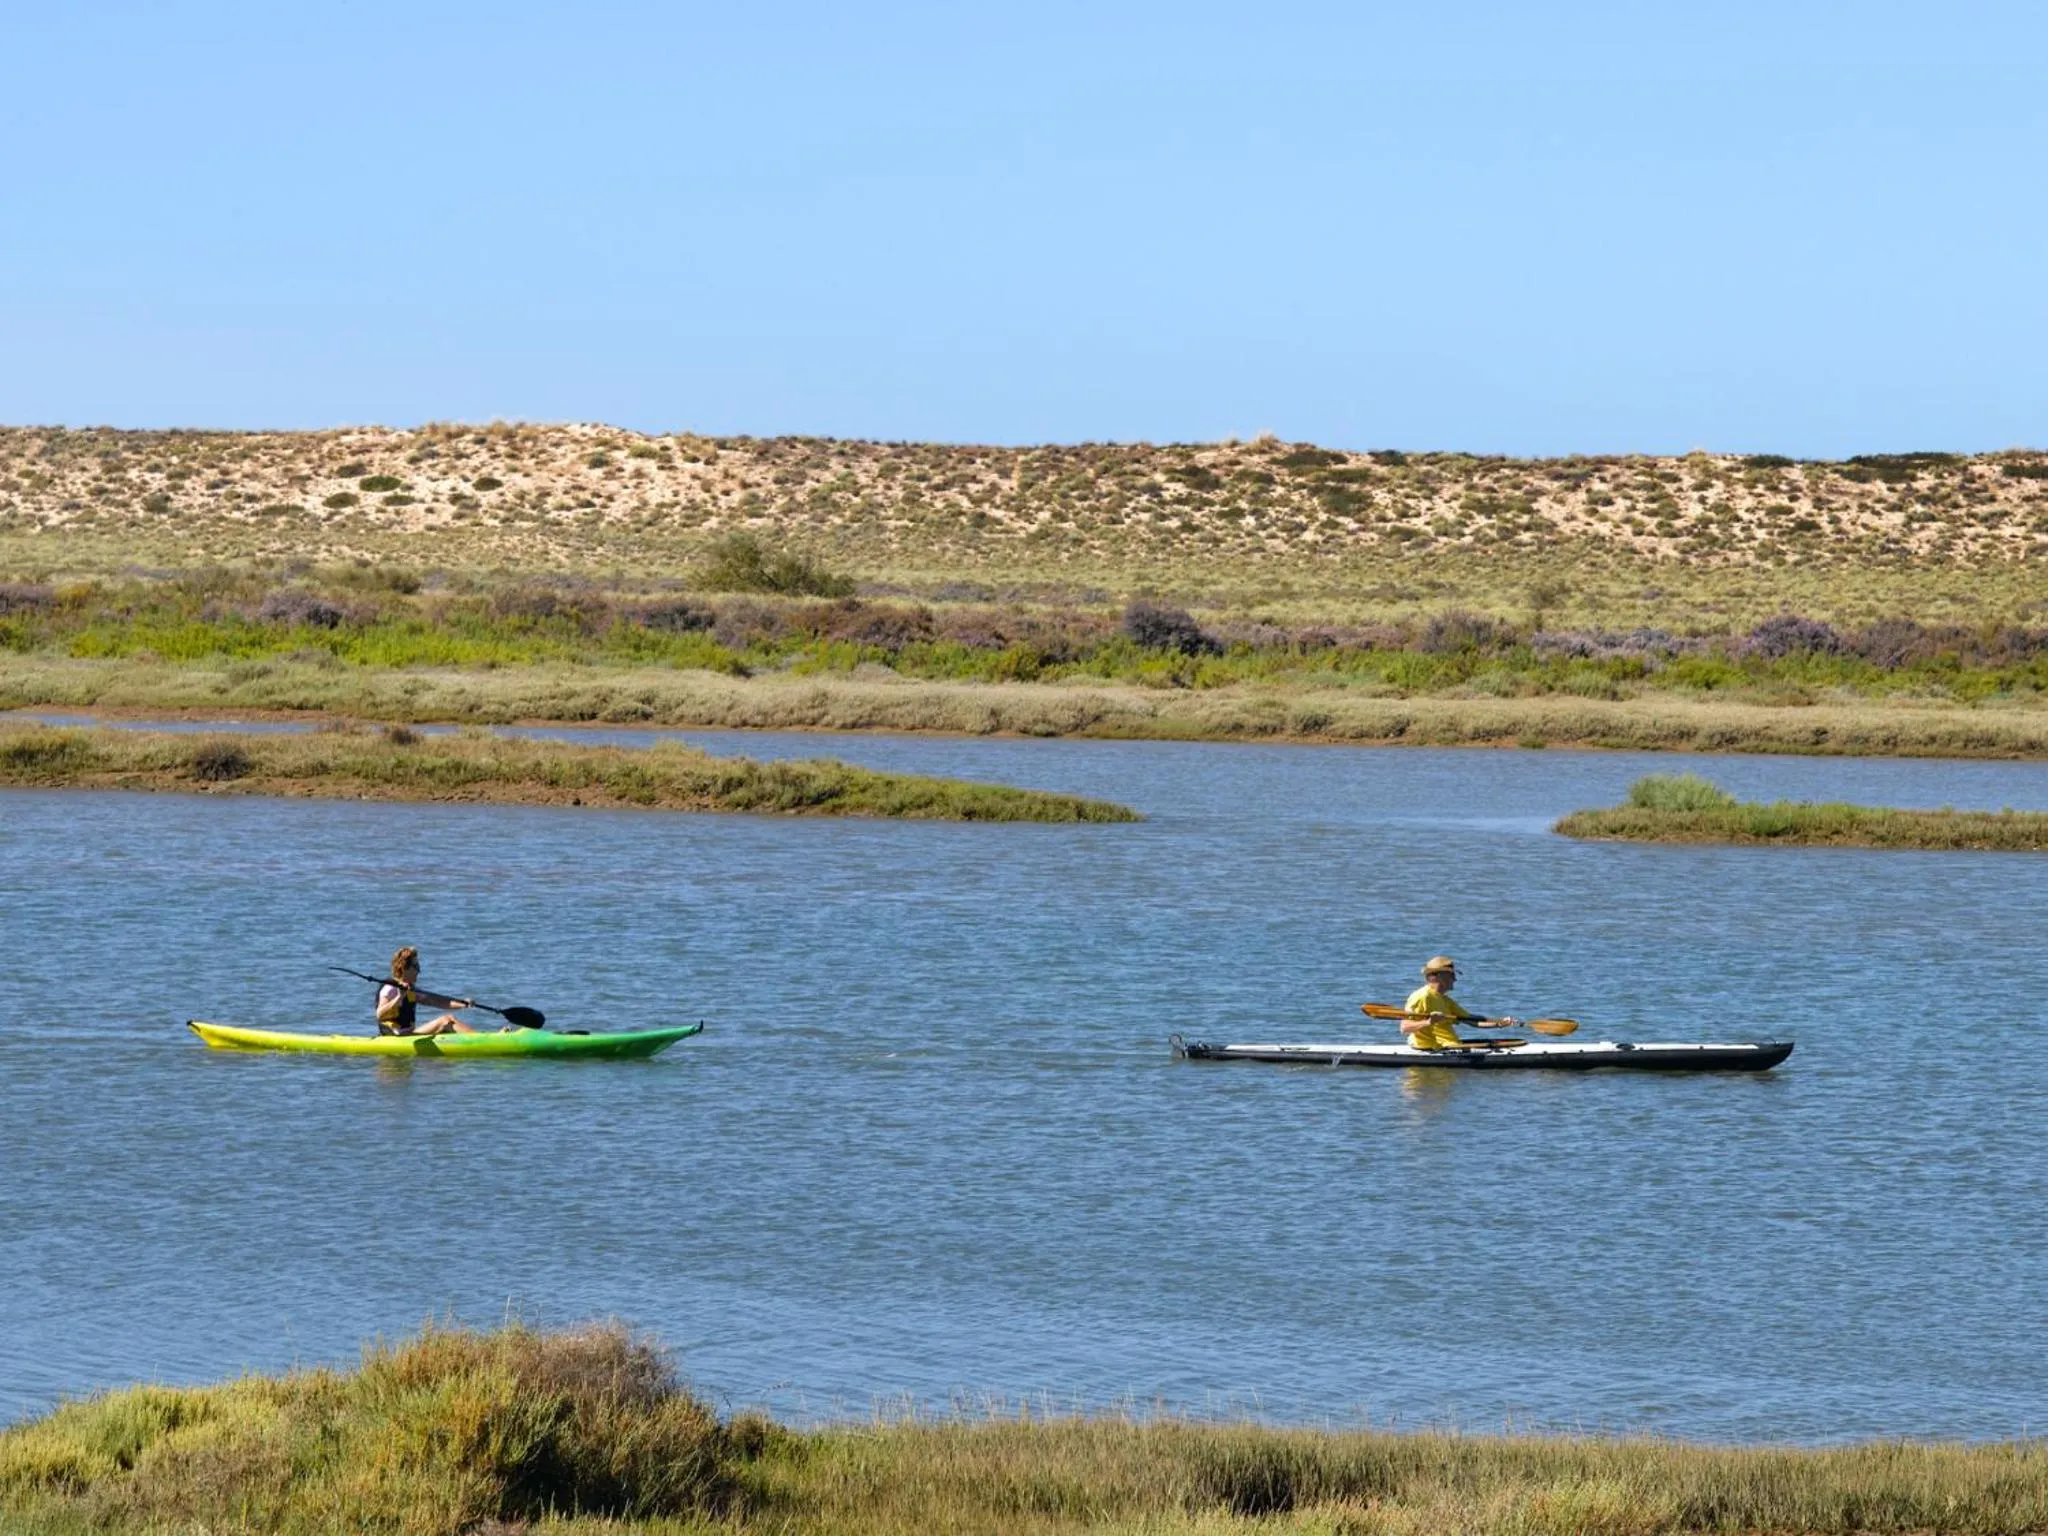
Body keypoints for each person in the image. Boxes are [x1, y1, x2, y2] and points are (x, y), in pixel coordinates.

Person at [1402, 956, 1518, 1050]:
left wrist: (1500, 1022)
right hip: (1431, 1048)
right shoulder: (1421, 997)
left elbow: (1472, 1021)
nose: (1455, 979)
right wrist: (1429, 1022)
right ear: (1438, 976)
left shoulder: (1445, 1000)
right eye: (1452, 975)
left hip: (1450, 1046)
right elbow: (1405, 1028)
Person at [375, 946, 482, 1036]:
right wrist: (399, 997)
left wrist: (463, 1004)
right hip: (395, 1037)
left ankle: (481, 1039)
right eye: (416, 966)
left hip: (409, 1034)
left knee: (447, 1027)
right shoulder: (390, 989)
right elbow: (379, 1014)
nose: (419, 970)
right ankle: (482, 1041)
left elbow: (435, 1001)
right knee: (447, 1020)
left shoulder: (411, 989)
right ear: (404, 968)